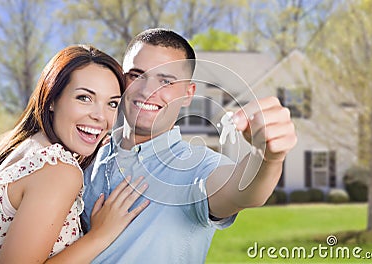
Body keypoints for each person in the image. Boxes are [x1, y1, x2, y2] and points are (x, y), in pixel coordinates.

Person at [82, 28, 297, 263]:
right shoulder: (89, 153)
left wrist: (267, 157)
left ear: (188, 94)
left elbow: (243, 191)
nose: (146, 91)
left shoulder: (198, 166)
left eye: (165, 81)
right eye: (137, 75)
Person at [0, 45, 149, 263]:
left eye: (112, 104)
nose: (100, 117)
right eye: (84, 98)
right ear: (53, 99)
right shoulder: (58, 170)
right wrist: (99, 235)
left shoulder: (21, 147)